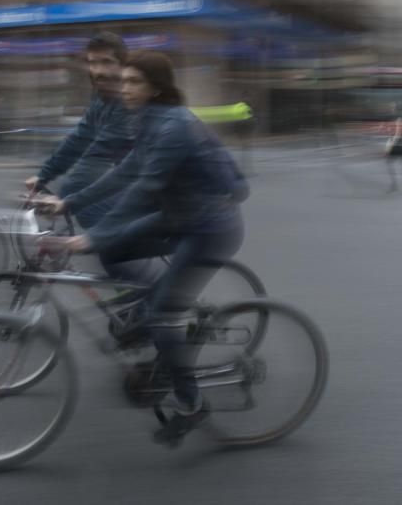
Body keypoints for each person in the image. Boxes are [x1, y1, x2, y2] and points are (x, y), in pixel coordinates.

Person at [39, 51, 249, 447]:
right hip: (178, 216)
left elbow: (143, 189)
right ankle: (157, 309)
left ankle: (191, 404)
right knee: (115, 252)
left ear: (156, 87)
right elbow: (124, 173)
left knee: (160, 317)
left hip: (210, 227)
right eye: (124, 81)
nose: (125, 88)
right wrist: (69, 203)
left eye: (134, 82)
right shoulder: (149, 120)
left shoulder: (174, 126)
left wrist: (93, 235)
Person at [24, 32, 134, 230]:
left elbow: (96, 157)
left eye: (106, 62)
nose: (98, 70)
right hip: (132, 179)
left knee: (88, 208)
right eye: (92, 63)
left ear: (123, 65)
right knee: (85, 202)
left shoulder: (129, 101)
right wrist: (44, 176)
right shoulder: (102, 97)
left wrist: (62, 198)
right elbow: (79, 140)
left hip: (161, 186)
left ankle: (124, 251)